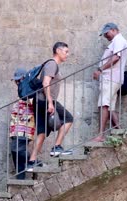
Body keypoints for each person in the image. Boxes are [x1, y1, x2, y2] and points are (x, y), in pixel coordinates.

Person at [27, 42, 74, 171]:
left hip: (39, 101)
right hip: (45, 100)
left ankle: (32, 161)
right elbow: (46, 82)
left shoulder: (51, 64)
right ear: (58, 51)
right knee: (68, 119)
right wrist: (50, 102)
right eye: (66, 51)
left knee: (42, 132)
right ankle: (57, 147)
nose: (67, 54)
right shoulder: (52, 64)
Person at [92, 23, 127, 142]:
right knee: (110, 107)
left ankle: (100, 135)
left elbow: (115, 57)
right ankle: (118, 130)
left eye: (107, 33)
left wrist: (100, 69)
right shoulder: (118, 41)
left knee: (104, 104)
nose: (105, 36)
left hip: (110, 78)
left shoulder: (118, 40)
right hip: (114, 78)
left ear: (113, 30)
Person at [10, 68, 35, 179]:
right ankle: (20, 177)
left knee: (16, 149)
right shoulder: (21, 90)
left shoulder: (29, 89)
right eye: (16, 81)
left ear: (24, 78)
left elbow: (33, 103)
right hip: (16, 128)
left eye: (19, 80)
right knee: (16, 152)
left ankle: (35, 162)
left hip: (25, 128)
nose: (17, 83)